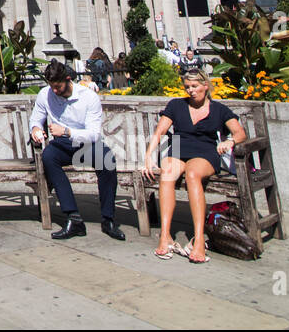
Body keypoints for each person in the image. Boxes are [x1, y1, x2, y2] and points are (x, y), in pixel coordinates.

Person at [142, 69, 247, 264]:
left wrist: (230, 142)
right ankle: (165, 236)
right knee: (167, 172)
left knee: (192, 174)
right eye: (187, 87)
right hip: (180, 147)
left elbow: (240, 133)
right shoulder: (176, 105)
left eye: (195, 86)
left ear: (205, 86)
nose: (190, 91)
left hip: (206, 151)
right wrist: (148, 156)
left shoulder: (219, 109)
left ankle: (198, 239)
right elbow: (160, 131)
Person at [30, 60, 126, 241]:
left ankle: (108, 219)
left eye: (58, 87)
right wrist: (35, 129)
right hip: (63, 146)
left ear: (68, 79)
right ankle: (74, 219)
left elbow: (93, 134)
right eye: (52, 87)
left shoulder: (89, 97)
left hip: (88, 145)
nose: (55, 91)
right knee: (49, 157)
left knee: (107, 163)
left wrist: (66, 131)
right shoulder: (46, 94)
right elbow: (36, 118)